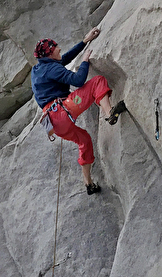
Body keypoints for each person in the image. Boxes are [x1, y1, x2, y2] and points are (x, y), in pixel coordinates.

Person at [31, 27, 127, 194]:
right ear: (49, 54)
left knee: (84, 140)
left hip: (54, 124)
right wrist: (84, 61)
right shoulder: (52, 68)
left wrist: (85, 41)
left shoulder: (39, 68)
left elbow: (64, 58)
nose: (59, 49)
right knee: (97, 82)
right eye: (55, 48)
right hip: (64, 110)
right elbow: (78, 80)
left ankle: (88, 182)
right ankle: (109, 112)